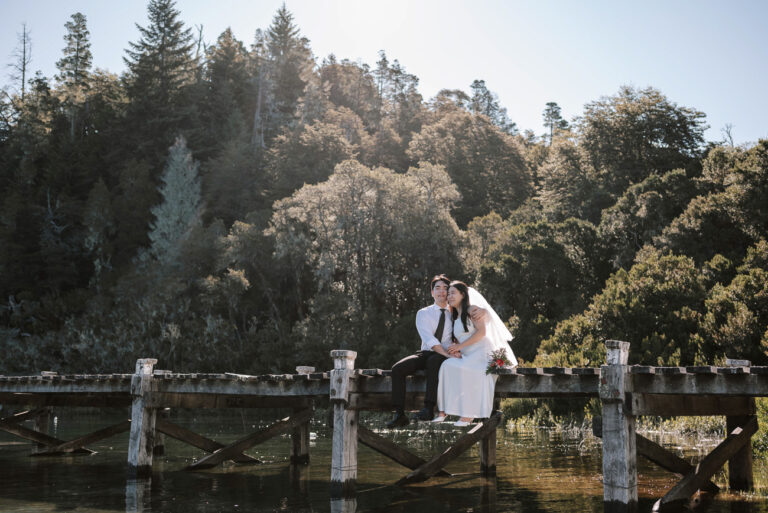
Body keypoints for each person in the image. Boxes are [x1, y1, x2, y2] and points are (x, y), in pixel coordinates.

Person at [386, 275, 486, 428]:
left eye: (446, 288)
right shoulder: (423, 313)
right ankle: (399, 414)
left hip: (444, 354)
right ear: (432, 293)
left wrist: (484, 311)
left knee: (434, 362)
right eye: (437, 288)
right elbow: (430, 340)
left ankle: (428, 408)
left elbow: (473, 318)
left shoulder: (455, 312)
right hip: (427, 352)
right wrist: (447, 354)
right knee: (397, 368)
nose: (442, 292)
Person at [433, 281, 517, 427]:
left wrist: (460, 345)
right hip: (468, 354)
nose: (449, 296)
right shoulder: (455, 316)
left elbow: (482, 332)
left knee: (472, 371)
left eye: (453, 293)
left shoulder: (472, 310)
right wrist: (456, 349)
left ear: (463, 295)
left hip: (481, 352)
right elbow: (461, 337)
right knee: (447, 365)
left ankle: (468, 415)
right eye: (449, 294)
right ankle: (444, 410)